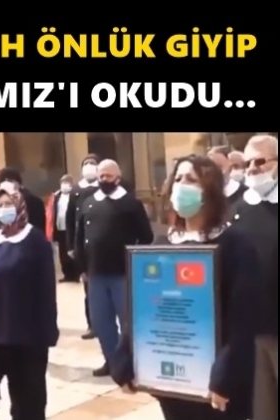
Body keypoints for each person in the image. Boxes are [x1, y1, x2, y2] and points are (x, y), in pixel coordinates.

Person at [111, 154, 259, 420]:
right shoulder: (161, 246)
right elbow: (142, 310)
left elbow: (243, 320)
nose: (181, 186)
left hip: (217, 390)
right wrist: (125, 357)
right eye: (177, 179)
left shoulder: (236, 246)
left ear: (210, 190)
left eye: (191, 179)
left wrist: (225, 375)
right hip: (172, 385)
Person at [0, 189, 59, 419]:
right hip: (0, 330)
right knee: (14, 391)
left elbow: (46, 290)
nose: (4, 209)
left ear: (20, 207)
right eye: (0, 205)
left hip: (29, 333)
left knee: (31, 394)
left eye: (9, 204)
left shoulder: (35, 241)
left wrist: (48, 330)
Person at [75, 159, 154, 377]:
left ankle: (132, 362)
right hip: (95, 274)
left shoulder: (130, 203)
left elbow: (146, 237)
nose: (104, 179)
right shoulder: (89, 202)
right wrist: (82, 267)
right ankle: (112, 361)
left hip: (123, 273)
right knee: (101, 323)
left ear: (118, 178)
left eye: (108, 176)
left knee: (128, 322)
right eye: (101, 176)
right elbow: (80, 237)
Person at [229, 135, 278, 419]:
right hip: (251, 330)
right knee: (262, 408)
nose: (251, 168)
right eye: (247, 162)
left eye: (260, 161)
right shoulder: (239, 209)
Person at [65, 154, 100, 339]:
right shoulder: (76, 190)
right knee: (88, 288)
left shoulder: (103, 187)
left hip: (101, 244)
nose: (89, 166)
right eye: (86, 163)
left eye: (92, 163)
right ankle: (92, 325)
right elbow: (70, 219)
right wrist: (71, 245)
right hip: (83, 245)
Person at [0, 167, 46, 235]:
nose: (6, 183)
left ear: (19, 184)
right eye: (3, 181)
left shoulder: (32, 201)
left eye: (10, 180)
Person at [52, 174, 78, 283]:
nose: (64, 185)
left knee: (71, 250)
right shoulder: (57, 196)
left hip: (70, 228)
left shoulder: (74, 196)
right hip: (60, 227)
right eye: (62, 183)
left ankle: (75, 274)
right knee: (62, 253)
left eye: (67, 183)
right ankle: (67, 274)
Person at [207, 146, 248, 211]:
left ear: (230, 166)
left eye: (219, 167)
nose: (215, 172)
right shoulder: (204, 196)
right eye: (210, 168)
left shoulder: (246, 194)